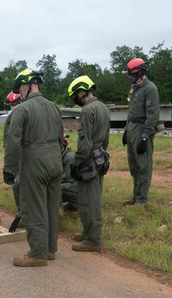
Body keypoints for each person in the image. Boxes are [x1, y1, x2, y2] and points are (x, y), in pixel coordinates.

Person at [4, 68, 63, 267]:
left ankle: (38, 253)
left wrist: (9, 169)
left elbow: (13, 142)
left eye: (20, 88)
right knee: (50, 207)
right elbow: (60, 137)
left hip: (34, 163)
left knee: (35, 208)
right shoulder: (53, 106)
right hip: (55, 162)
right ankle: (50, 249)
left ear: (25, 85)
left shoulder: (22, 109)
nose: (19, 93)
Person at [68, 75, 110, 253]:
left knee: (88, 201)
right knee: (94, 196)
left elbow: (84, 141)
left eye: (75, 95)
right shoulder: (102, 107)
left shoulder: (87, 111)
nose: (76, 99)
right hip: (100, 155)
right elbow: (106, 136)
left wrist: (77, 163)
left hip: (88, 159)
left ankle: (93, 240)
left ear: (82, 91)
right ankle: (87, 232)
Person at [121, 58, 160, 206]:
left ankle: (142, 200)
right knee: (134, 166)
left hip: (142, 129)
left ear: (141, 72)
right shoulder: (134, 88)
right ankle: (136, 196)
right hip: (132, 127)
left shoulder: (150, 89)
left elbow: (153, 115)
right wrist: (126, 130)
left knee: (143, 166)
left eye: (132, 74)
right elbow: (131, 112)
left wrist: (145, 137)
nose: (130, 77)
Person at [3, 92, 22, 231]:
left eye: (14, 104)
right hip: (14, 157)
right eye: (11, 105)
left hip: (24, 156)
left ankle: (24, 216)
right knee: (17, 186)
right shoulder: (11, 117)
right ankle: (23, 214)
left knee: (21, 186)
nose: (13, 107)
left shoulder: (24, 114)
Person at [60, 135, 78, 215]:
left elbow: (68, 178)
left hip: (76, 189)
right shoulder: (62, 156)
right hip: (73, 186)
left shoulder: (69, 157)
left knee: (54, 187)